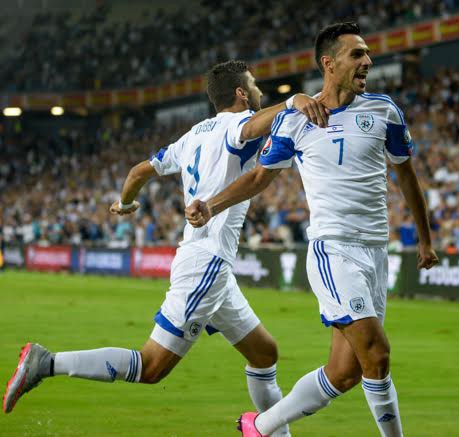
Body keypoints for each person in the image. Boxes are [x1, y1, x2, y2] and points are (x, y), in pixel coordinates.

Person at [2, 60, 329, 437]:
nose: (258, 90)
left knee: (264, 354)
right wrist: (292, 101)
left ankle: (272, 432)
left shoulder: (191, 137)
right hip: (206, 263)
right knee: (151, 366)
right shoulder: (238, 125)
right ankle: (46, 362)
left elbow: (138, 171)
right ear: (241, 93)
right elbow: (254, 126)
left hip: (210, 265)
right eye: (253, 85)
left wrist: (125, 203)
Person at [186, 23, 439, 437]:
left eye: (367, 53)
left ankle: (260, 425)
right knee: (377, 354)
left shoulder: (384, 110)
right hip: (333, 250)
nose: (368, 61)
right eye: (356, 54)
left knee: (345, 372)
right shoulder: (295, 120)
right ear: (329, 63)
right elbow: (258, 178)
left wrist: (425, 240)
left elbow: (407, 176)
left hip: (376, 251)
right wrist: (210, 205)